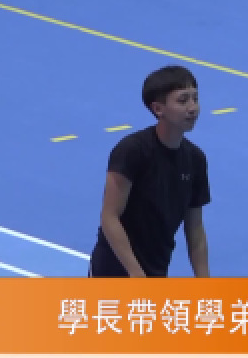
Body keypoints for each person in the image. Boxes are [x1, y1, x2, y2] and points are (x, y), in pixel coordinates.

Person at [88, 65, 211, 277]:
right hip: (113, 269)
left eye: (195, 98)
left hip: (157, 267)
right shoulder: (131, 151)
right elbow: (109, 217)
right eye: (183, 100)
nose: (193, 108)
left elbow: (195, 230)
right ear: (158, 109)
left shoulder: (195, 160)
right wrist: (135, 272)